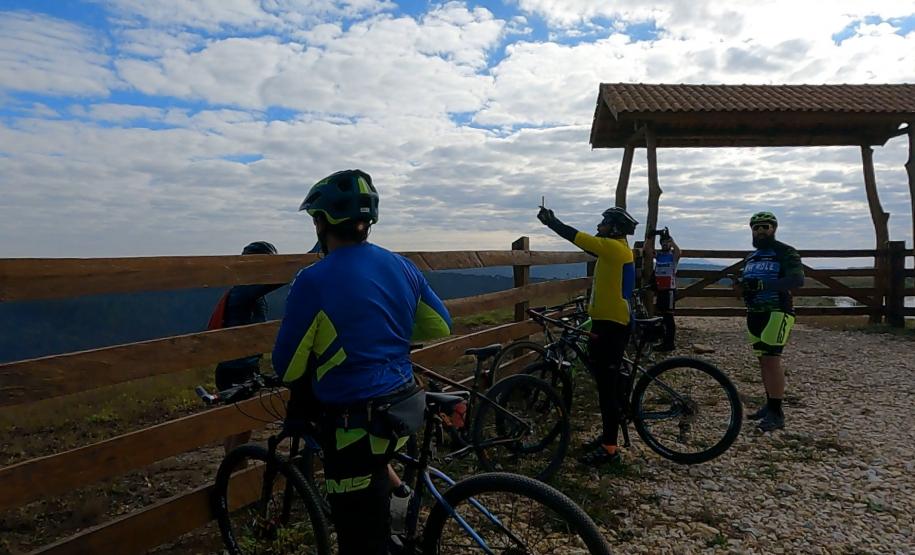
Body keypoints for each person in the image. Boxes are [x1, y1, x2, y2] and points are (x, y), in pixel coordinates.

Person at [272, 169, 452, 555]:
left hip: (355, 424)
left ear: (322, 223)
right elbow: (440, 325)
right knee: (378, 488)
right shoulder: (402, 265)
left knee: (358, 541)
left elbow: (286, 368)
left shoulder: (312, 280)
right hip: (404, 406)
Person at [537, 205, 637, 466]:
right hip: (606, 322)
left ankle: (610, 448)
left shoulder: (613, 248)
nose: (599, 226)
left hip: (613, 324)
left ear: (614, 228)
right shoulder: (612, 249)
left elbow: (576, 237)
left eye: (603, 222)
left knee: (606, 387)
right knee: (605, 379)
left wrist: (552, 221)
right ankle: (611, 428)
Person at [210, 240, 284, 454]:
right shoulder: (244, 292)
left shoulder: (241, 290)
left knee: (236, 425)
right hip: (238, 369)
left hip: (235, 367)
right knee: (242, 427)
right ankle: (235, 474)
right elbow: (277, 281)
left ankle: (230, 472)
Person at [736, 212, 804, 432]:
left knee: (772, 360)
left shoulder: (785, 252)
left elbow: (797, 279)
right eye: (755, 228)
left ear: (774, 228)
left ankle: (777, 413)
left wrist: (763, 286)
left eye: (765, 227)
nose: (760, 231)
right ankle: (769, 404)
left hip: (777, 312)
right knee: (763, 360)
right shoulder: (751, 257)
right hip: (754, 313)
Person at [644, 228, 681, 351]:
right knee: (662, 315)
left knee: (669, 317)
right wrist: (649, 238)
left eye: (667, 243)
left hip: (669, 290)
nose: (665, 245)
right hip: (661, 290)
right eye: (663, 243)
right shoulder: (659, 255)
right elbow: (647, 251)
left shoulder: (672, 257)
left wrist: (672, 240)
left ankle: (669, 343)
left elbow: (678, 252)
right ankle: (663, 339)